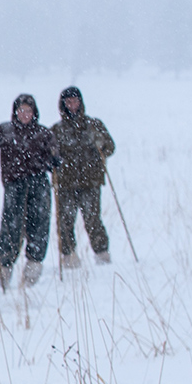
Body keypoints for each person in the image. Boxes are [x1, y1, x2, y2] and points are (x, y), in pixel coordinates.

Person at [0, 93, 57, 289]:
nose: (25, 114)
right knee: (10, 229)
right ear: (15, 111)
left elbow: (56, 155)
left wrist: (54, 161)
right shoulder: (5, 130)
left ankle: (31, 274)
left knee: (38, 226)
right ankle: (3, 274)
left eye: (29, 111)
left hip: (38, 184)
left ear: (34, 113)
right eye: (21, 110)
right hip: (14, 186)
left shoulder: (43, 133)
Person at [52, 85, 116, 267]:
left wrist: (101, 145)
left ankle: (102, 255)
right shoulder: (56, 130)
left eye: (75, 101)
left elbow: (110, 147)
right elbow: (47, 155)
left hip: (90, 181)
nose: (72, 105)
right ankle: (69, 257)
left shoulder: (94, 125)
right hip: (65, 183)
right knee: (65, 221)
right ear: (63, 105)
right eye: (68, 102)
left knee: (92, 219)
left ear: (81, 102)